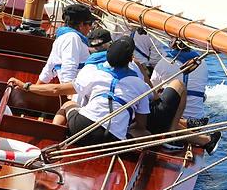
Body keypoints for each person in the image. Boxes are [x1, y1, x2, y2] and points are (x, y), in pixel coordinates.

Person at [11, 37, 151, 146]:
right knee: (145, 132)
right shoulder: (141, 86)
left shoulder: (94, 73)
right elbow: (141, 125)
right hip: (112, 140)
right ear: (130, 59)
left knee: (67, 105)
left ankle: (51, 141)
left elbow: (55, 89)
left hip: (82, 127)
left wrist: (26, 87)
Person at [151, 40, 220, 154]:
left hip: (172, 119)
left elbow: (152, 90)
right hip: (197, 115)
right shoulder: (202, 63)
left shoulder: (164, 63)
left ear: (173, 43)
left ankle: (194, 131)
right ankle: (188, 123)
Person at [37, 3, 96, 85]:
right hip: (78, 93)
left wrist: (36, 88)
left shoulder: (60, 38)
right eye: (90, 24)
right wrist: (69, 95)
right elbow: (69, 68)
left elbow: (49, 69)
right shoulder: (72, 38)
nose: (90, 28)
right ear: (81, 24)